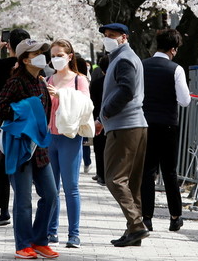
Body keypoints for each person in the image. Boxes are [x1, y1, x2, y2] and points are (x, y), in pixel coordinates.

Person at [0, 39, 59, 260]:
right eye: (36, 53)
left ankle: (40, 240)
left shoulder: (42, 83)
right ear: (24, 59)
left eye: (42, 52)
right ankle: (23, 245)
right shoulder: (15, 82)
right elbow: (0, 110)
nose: (42, 55)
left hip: (39, 148)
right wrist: (26, 109)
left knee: (50, 195)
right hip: (19, 148)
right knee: (23, 199)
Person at [98, 23, 150, 247]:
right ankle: (133, 231)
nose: (108, 39)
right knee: (132, 182)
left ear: (124, 37)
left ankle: (136, 225)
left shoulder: (124, 59)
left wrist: (107, 111)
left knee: (114, 179)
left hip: (123, 126)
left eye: (112, 36)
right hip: (136, 125)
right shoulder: (126, 57)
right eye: (106, 36)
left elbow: (126, 89)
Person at [141, 29, 190, 232]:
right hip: (168, 124)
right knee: (169, 172)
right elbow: (185, 100)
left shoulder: (141, 66)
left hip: (144, 123)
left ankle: (146, 217)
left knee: (147, 172)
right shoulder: (175, 69)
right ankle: (175, 216)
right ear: (173, 49)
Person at [45, 39, 90, 249]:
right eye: (53, 55)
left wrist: (61, 94)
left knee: (71, 187)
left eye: (60, 55)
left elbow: (85, 104)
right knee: (51, 188)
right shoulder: (48, 78)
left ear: (70, 57)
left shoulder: (79, 80)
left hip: (70, 137)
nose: (56, 59)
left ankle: (74, 234)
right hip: (49, 137)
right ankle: (50, 231)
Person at [0, 28, 30, 226]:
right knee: (24, 165)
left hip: (3, 121)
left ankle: (4, 210)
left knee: (2, 167)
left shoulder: (1, 65)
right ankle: (22, 204)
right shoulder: (31, 66)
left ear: (8, 45)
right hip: (26, 121)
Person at [89, 56, 110, 186]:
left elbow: (93, 101)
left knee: (99, 147)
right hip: (112, 118)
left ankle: (101, 174)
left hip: (97, 116)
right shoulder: (116, 82)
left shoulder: (96, 83)